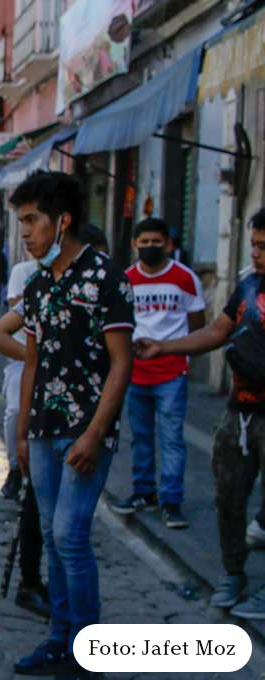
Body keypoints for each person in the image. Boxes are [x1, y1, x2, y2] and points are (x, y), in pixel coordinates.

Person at [11, 171, 134, 676]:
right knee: (50, 531)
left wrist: (95, 433)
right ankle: (60, 641)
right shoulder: (39, 284)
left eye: (32, 220)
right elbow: (33, 363)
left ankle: (87, 650)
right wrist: (20, 431)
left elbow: (122, 362)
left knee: (70, 535)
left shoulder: (106, 277)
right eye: (21, 221)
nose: (25, 232)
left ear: (62, 221)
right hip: (42, 428)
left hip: (87, 430)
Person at [137, 207, 265, 618]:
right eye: (254, 245)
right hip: (239, 415)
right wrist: (166, 347)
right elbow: (215, 331)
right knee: (228, 495)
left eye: (264, 247)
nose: (257, 254)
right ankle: (234, 574)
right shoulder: (247, 287)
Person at [110, 218, 205, 529]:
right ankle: (143, 492)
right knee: (140, 438)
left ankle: (172, 501)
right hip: (136, 373)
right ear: (135, 244)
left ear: (169, 244)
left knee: (172, 438)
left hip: (171, 373)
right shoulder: (125, 279)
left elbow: (197, 325)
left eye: (156, 242)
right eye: (144, 242)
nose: (150, 247)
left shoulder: (185, 278)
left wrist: (175, 350)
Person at [0, 305, 50, 620]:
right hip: (42, 412)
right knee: (35, 507)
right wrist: (36, 357)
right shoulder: (40, 289)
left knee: (67, 529)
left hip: (84, 420)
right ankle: (31, 580)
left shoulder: (104, 284)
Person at [0, 254, 40, 500]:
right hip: (22, 354)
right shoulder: (24, 271)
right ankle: (14, 468)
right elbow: (11, 312)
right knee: (14, 410)